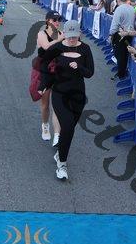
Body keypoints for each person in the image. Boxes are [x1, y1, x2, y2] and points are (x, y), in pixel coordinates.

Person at [38, 20, 94, 180]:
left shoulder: (85, 49)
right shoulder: (58, 47)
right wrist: (44, 83)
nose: (71, 39)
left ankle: (59, 154)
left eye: (74, 36)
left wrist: (79, 67)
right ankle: (62, 164)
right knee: (68, 127)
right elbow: (44, 63)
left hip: (78, 96)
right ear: (64, 34)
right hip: (59, 93)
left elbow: (90, 73)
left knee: (69, 130)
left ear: (79, 34)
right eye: (69, 36)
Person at [34, 11, 64, 145]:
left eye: (59, 19)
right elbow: (46, 46)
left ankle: (57, 135)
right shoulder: (42, 34)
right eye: (54, 19)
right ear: (47, 21)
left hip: (59, 72)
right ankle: (45, 125)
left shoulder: (61, 34)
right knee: (45, 104)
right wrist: (60, 40)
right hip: (45, 72)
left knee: (57, 104)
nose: (57, 22)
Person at [109, 0, 135, 80]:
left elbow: (115, 23)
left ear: (119, 0)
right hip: (129, 34)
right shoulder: (131, 8)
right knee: (124, 54)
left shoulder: (119, 9)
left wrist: (111, 33)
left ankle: (121, 73)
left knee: (119, 54)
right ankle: (122, 72)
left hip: (120, 34)